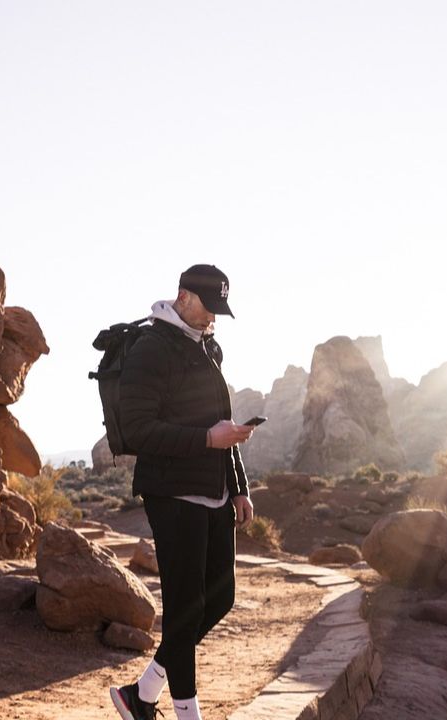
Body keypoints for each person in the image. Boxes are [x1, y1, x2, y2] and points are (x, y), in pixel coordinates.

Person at [108, 264, 256, 720]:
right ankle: (186, 713)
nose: (213, 319)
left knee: (221, 598)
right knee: (185, 610)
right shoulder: (152, 349)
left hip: (213, 492)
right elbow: (139, 430)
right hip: (172, 495)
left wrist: (238, 488)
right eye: (209, 309)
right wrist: (207, 440)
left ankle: (142, 693)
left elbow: (220, 421)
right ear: (184, 298)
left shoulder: (209, 346)